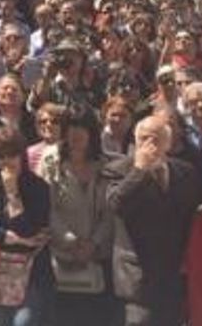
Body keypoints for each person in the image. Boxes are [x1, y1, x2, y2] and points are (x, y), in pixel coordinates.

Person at [104, 114, 201, 326]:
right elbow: (116, 204)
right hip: (137, 278)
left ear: (168, 142)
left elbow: (191, 215)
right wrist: (140, 170)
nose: (149, 145)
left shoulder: (185, 172)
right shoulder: (119, 169)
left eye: (156, 139)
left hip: (171, 276)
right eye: (144, 139)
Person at [0, 128, 50, 326]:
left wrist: (13, 193)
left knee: (23, 321)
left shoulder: (38, 186)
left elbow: (31, 228)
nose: (7, 161)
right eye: (1, 156)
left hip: (31, 270)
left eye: (12, 154)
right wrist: (6, 235)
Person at [46, 108, 115, 326]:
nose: (76, 134)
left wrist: (92, 244)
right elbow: (47, 209)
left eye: (82, 128)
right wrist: (71, 241)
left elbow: (110, 212)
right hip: (62, 256)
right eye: (71, 128)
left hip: (98, 258)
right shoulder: (51, 162)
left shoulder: (105, 166)